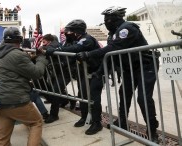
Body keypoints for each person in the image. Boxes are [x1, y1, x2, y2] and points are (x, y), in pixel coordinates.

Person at [76, 6, 160, 143]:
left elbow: (114, 48)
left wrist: (88, 54)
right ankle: (122, 122)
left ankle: (152, 131)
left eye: (107, 19)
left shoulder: (127, 28)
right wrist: (100, 73)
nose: (106, 22)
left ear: (116, 18)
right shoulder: (112, 34)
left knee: (143, 98)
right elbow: (111, 57)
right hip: (129, 68)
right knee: (124, 94)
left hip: (145, 66)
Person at [45, 19, 103, 135]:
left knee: (93, 98)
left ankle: (97, 122)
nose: (67, 33)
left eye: (70, 31)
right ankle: (85, 117)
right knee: (82, 95)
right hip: (84, 73)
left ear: (77, 31)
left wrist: (57, 50)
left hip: (95, 73)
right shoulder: (77, 40)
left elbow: (76, 49)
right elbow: (72, 54)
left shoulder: (87, 39)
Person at [0, 27, 48, 146]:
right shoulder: (18, 55)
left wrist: (31, 58)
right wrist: (41, 58)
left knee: (2, 139)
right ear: (19, 40)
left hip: (0, 103)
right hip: (17, 101)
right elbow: (37, 73)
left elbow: (13, 66)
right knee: (36, 123)